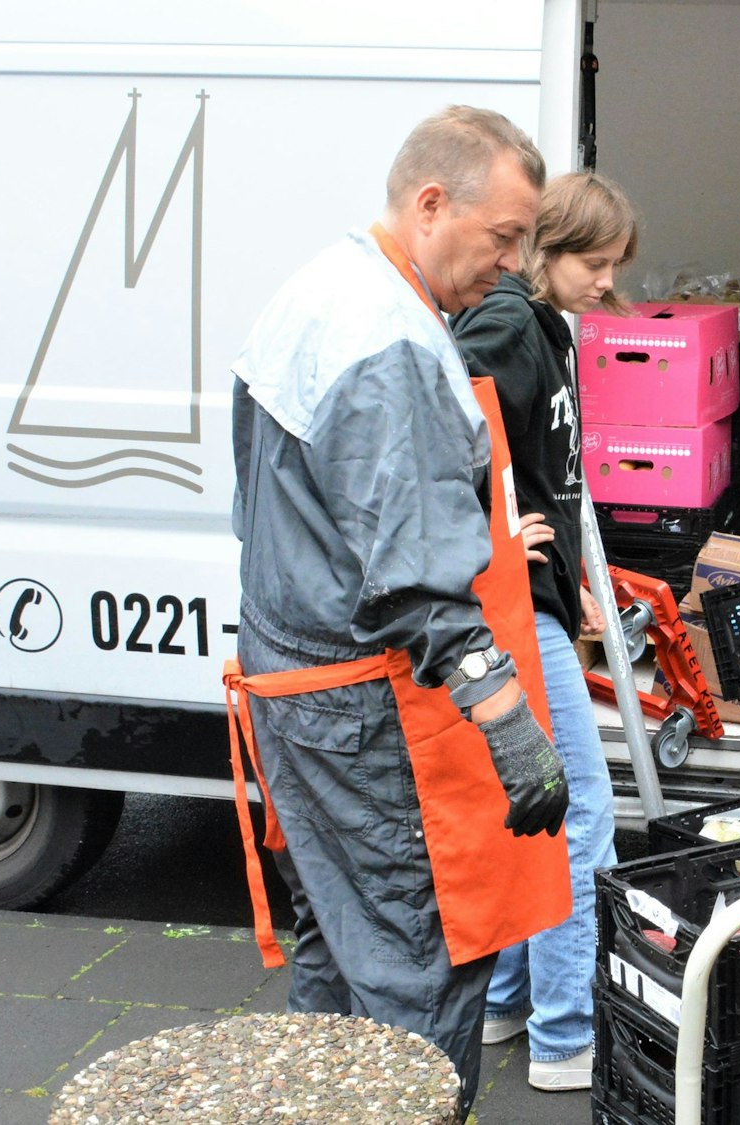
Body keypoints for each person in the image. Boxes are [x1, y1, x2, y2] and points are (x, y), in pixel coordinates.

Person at [225, 105, 573, 1115]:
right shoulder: (394, 346)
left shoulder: (318, 289)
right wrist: (508, 722)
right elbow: (416, 580)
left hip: (288, 684)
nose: (513, 265)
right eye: (503, 236)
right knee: (419, 961)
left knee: (337, 945)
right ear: (430, 203)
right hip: (361, 706)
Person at [449, 171, 637, 1092]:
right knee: (581, 804)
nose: (607, 281)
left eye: (614, 263)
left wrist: (572, 576)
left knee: (535, 807)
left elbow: (548, 474)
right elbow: (439, 418)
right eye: (593, 262)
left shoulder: (550, 329)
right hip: (513, 607)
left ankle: (506, 1001)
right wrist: (491, 532)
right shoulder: (509, 325)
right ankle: (567, 1035)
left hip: (539, 599)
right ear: (544, 251)